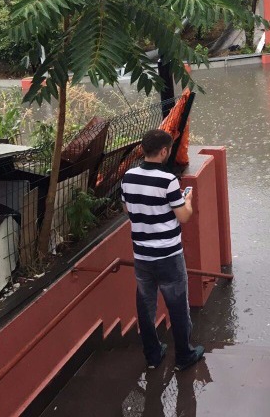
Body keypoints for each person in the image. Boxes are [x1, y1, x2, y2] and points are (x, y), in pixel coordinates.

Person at [121, 129, 204, 372]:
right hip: (168, 256)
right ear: (164, 151)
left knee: (145, 306)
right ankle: (184, 355)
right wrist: (186, 200)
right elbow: (184, 217)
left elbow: (128, 210)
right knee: (178, 306)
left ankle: (153, 356)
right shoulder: (168, 180)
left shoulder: (128, 177)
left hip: (142, 255)